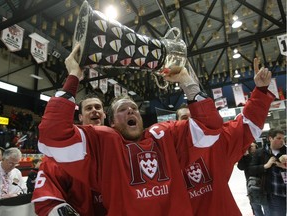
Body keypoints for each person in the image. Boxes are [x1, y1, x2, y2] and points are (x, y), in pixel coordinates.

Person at [37, 44, 274, 216]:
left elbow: (211, 127)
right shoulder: (104, 143)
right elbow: (52, 135)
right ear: (112, 123)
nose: (131, 111)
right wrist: (73, 77)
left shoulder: (164, 136)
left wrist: (185, 80)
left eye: (134, 108)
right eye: (122, 110)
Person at [32, 95, 107, 216]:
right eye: (89, 108)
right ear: (80, 117)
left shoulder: (118, 146)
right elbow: (47, 201)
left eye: (98, 107)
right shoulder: (60, 152)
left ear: (104, 115)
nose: (94, 110)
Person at [249, 128, 286, 216]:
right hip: (274, 193)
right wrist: (265, 166)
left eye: (283, 138)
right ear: (270, 138)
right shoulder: (260, 153)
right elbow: (251, 169)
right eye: (279, 138)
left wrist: (284, 166)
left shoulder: (286, 151)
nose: (282, 141)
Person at [237, 142, 267, 215]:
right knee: (254, 204)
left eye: (252, 146)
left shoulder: (261, 154)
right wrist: (245, 155)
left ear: (256, 146)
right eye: (249, 146)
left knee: (265, 203)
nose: (250, 148)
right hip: (251, 182)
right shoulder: (245, 156)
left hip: (263, 181)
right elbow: (240, 167)